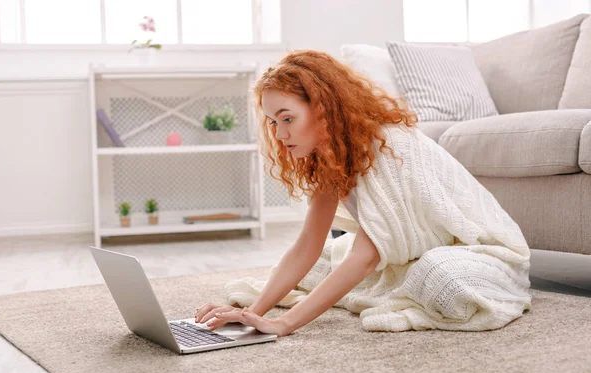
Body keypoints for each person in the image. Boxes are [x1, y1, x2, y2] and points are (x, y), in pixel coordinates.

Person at [194, 49, 532, 337]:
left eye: (287, 119)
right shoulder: (330, 155)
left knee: (440, 276)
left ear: (323, 108)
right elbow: (307, 246)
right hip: (410, 254)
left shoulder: (388, 144)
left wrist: (283, 323)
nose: (280, 134)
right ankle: (405, 282)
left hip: (477, 252)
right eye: (273, 122)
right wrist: (253, 314)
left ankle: (427, 282)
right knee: (325, 260)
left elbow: (367, 256)